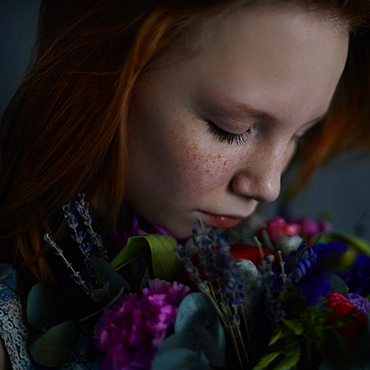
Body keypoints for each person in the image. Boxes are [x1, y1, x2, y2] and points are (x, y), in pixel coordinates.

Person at [0, 0, 369, 368]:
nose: (268, 186)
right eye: (231, 128)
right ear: (100, 75)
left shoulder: (276, 275)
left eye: (300, 135)